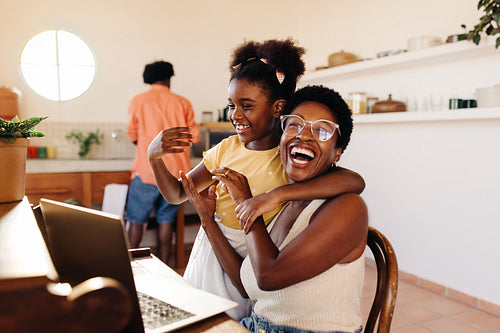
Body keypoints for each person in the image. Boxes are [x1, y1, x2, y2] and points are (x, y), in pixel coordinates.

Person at [148, 39, 365, 320]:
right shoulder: (226, 149)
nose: (236, 115)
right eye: (231, 105)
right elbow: (177, 194)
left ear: (277, 108)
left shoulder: (289, 157)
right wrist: (154, 157)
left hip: (250, 257)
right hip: (212, 251)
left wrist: (273, 196)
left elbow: (353, 181)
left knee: (230, 320)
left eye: (246, 105)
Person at [182, 85, 368, 333]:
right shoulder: (283, 207)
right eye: (294, 124)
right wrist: (207, 221)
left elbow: (269, 277)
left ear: (337, 153)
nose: (304, 135)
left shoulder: (348, 208)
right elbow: (246, 284)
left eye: (321, 130)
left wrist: (249, 203)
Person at [126, 60, 200, 264]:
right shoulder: (182, 102)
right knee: (166, 221)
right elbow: (194, 135)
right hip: (176, 174)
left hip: (147, 171)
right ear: (169, 78)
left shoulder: (138, 101)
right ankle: (165, 265)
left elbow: (132, 133)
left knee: (135, 221)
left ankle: (132, 266)